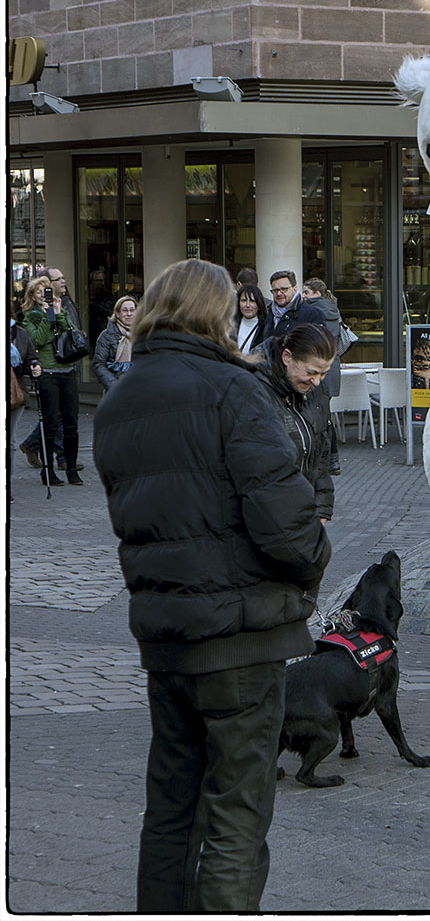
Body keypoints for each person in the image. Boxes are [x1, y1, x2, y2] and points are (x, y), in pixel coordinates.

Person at [93, 259, 331, 913]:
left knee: (171, 810)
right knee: (236, 815)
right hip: (241, 638)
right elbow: (286, 523)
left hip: (168, 637)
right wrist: (315, 557)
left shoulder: (117, 402)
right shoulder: (233, 388)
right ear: (216, 313)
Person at [255, 323, 336, 521]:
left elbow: (322, 454)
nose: (316, 381)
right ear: (287, 358)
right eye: (311, 372)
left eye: (323, 374)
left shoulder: (316, 390)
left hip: (303, 516)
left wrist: (322, 510)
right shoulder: (253, 391)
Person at [21, 276, 83, 486]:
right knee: (50, 423)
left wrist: (57, 313)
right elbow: (37, 339)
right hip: (48, 372)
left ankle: (72, 468)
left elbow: (71, 335)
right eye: (39, 292)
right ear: (32, 296)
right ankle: (48, 471)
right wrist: (49, 317)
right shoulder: (31, 316)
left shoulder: (60, 310)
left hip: (67, 372)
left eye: (46, 291)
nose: (44, 295)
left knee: (71, 423)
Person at [301, 277, 344, 475]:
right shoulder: (333, 309)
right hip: (332, 367)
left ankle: (328, 459)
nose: (303, 296)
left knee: (319, 416)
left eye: (306, 292)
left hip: (318, 367)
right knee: (325, 414)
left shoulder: (313, 311)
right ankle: (332, 459)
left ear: (315, 294)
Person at [9, 316, 42, 486]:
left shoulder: (20, 333)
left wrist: (35, 366)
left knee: (10, 441)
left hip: (15, 392)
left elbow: (31, 357)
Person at [260, 269, 325, 341]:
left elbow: (319, 345)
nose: (279, 293)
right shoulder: (267, 313)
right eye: (275, 290)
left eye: (284, 289)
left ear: (295, 288)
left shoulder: (312, 314)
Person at [92, 295, 136, 391]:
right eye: (124, 310)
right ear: (117, 313)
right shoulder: (106, 335)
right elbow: (99, 364)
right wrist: (114, 386)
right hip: (115, 389)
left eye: (132, 310)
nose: (129, 314)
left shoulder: (143, 334)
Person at [232, 283, 268, 353]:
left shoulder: (266, 327)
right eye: (243, 300)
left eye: (252, 301)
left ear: (259, 303)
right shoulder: (231, 324)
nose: (247, 305)